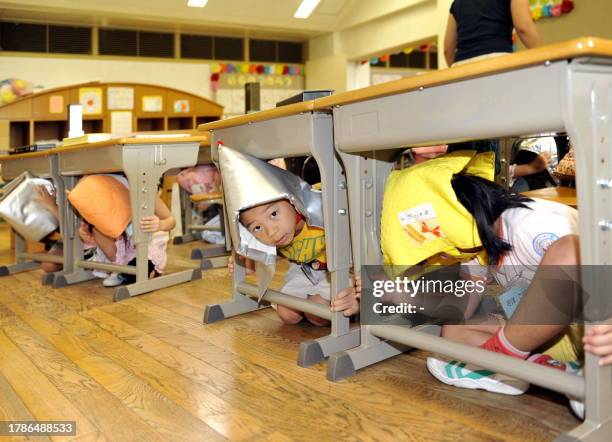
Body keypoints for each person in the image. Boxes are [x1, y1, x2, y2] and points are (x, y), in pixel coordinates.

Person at [444, 0, 542, 67]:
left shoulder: (457, 2)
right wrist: (544, 54)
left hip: (461, 67)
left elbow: (447, 50)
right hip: (497, 61)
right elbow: (523, 27)